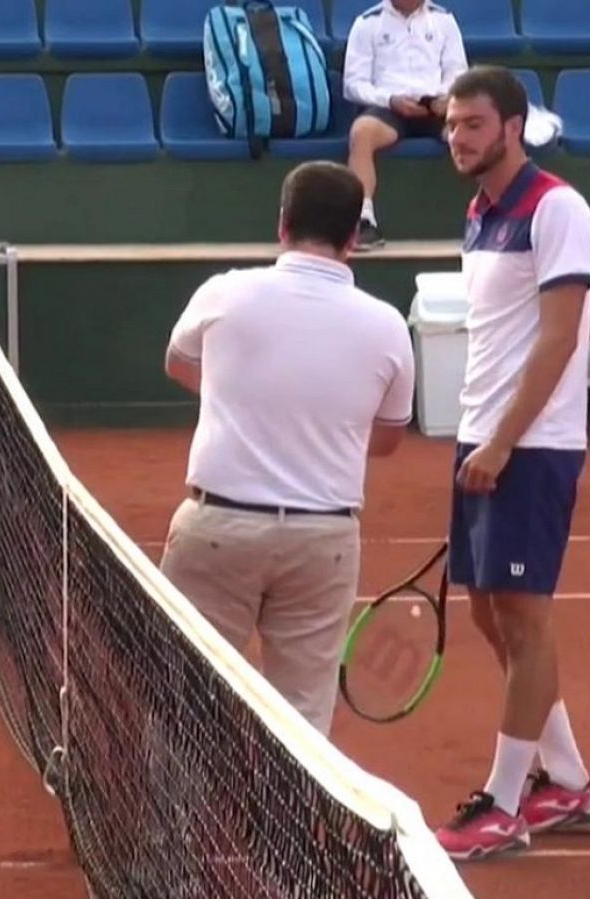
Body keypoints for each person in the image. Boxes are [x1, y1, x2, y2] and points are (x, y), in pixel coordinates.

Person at [159, 160, 416, 737]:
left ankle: (172, 828)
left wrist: (249, 399)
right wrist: (320, 422)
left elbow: (178, 364)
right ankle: (295, 831)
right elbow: (389, 438)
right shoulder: (388, 325)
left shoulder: (223, 292)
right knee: (302, 723)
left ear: (282, 225)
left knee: (184, 698)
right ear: (354, 237)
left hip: (217, 529)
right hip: (322, 543)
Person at [429, 65, 590, 862]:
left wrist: (503, 440)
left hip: (530, 442)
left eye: (472, 124)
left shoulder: (557, 207)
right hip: (484, 432)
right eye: (449, 126)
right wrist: (477, 435)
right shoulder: (478, 212)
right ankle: (566, 775)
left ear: (512, 127)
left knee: (525, 616)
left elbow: (560, 335)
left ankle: (504, 801)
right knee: (485, 610)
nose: (456, 138)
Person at [342, 0, 468, 251]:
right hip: (390, 108)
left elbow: (458, 72)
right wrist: (390, 99)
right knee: (361, 132)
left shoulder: (444, 20)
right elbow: (353, 84)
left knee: (475, 132)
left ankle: (497, 213)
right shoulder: (367, 22)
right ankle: (364, 220)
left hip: (436, 108)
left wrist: (444, 97)